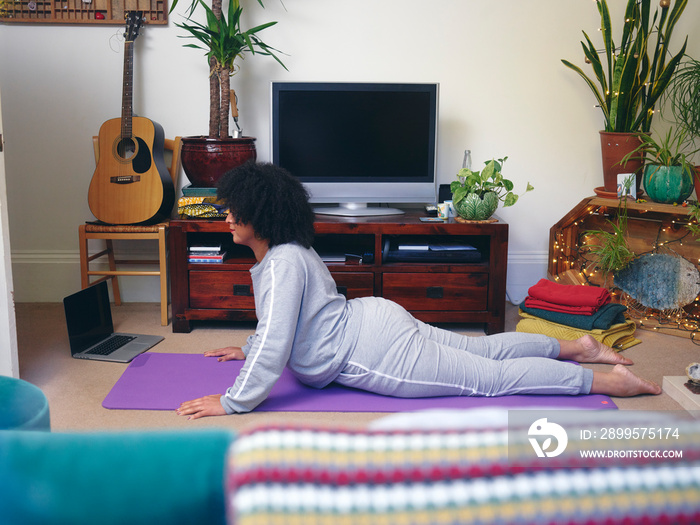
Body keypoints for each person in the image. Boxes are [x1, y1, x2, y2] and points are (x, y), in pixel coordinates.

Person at [176, 162, 661, 420]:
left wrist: (233, 401)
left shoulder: (280, 263)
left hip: (370, 349)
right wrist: (246, 348)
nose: (226, 217)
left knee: (487, 379)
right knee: (485, 349)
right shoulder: (288, 252)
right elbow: (278, 326)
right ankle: (580, 346)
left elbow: (279, 335)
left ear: (257, 213)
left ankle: (606, 381)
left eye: (232, 209)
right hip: (374, 318)